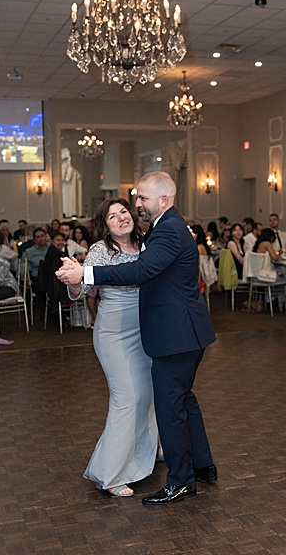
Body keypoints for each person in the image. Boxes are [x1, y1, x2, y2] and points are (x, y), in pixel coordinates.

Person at [58, 171, 215, 505]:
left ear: (163, 200)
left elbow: (141, 272)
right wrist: (79, 276)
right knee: (159, 399)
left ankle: (182, 478)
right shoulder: (137, 239)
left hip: (169, 332)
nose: (134, 206)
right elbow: (83, 290)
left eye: (139, 200)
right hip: (131, 332)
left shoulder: (164, 233)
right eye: (117, 212)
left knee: (169, 403)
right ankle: (193, 466)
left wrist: (85, 271)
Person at [64, 197, 160, 499]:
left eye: (123, 212)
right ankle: (111, 473)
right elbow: (81, 292)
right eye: (112, 216)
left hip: (147, 327)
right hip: (115, 332)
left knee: (148, 393)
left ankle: (146, 451)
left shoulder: (147, 244)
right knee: (127, 398)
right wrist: (72, 279)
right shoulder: (100, 251)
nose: (120, 219)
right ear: (104, 225)